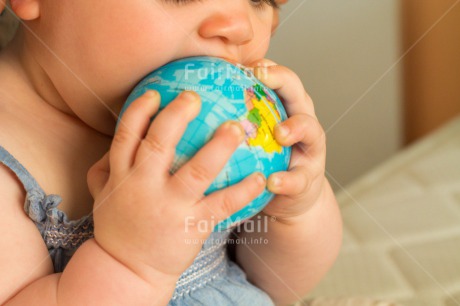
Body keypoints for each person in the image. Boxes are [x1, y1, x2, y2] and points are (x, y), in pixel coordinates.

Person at [0, 0, 342, 305]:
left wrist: (294, 208)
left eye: (260, 0)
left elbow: (279, 288)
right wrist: (131, 264)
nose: (239, 27)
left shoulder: (216, 136)